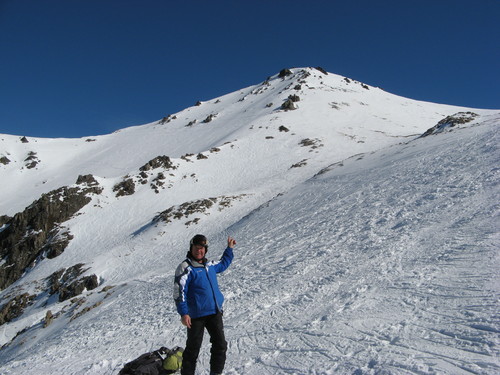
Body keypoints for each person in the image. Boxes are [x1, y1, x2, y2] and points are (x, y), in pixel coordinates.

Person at [173, 234, 236, 375]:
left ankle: (216, 373)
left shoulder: (209, 265)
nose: (199, 251)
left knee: (220, 345)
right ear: (191, 248)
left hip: (214, 312)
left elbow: (223, 263)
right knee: (192, 350)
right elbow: (179, 292)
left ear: (205, 250)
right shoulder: (185, 268)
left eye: (202, 248)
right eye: (196, 248)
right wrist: (184, 313)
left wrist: (229, 248)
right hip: (196, 316)